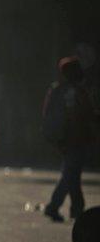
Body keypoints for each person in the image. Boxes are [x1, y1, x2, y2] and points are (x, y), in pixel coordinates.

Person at [43, 56, 95, 222]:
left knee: (73, 174)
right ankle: (55, 206)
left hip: (65, 139)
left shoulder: (60, 89)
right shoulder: (72, 92)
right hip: (75, 139)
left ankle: (77, 209)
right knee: (70, 174)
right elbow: (79, 116)